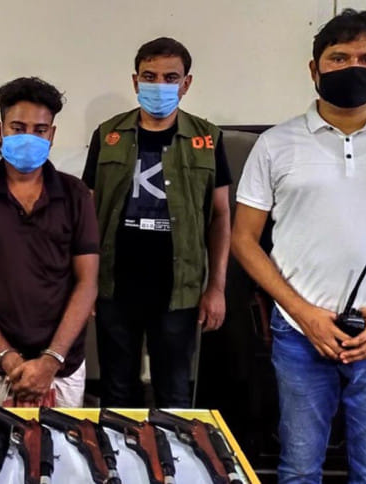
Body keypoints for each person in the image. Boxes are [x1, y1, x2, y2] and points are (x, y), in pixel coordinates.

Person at [231, 9, 366, 482]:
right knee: (298, 469)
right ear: (314, 68)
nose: (354, 66)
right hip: (300, 335)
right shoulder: (275, 144)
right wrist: (303, 313)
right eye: (339, 57)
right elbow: (244, 240)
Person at [82, 37, 232, 408]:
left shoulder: (207, 138)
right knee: (117, 392)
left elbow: (220, 217)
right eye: (149, 76)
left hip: (179, 288)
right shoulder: (108, 135)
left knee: (174, 394)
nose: (159, 85)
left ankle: (170, 448)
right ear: (135, 81)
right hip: (116, 286)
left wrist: (216, 287)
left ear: (186, 83)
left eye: (170, 77)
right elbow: (87, 213)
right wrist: (85, 284)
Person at [0, 77, 99, 407]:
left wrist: (50, 361)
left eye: (40, 130)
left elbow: (87, 283)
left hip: (62, 365)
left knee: (63, 442)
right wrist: (8, 358)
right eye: (18, 128)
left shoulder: (75, 194)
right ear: (0, 131)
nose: (29, 138)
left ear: (52, 135)